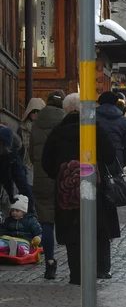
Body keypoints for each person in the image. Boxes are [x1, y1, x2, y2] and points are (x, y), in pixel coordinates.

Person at [42, 93, 121, 284]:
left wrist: (63, 174)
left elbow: (46, 162)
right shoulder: (94, 129)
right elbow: (110, 155)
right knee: (98, 224)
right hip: (94, 186)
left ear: (66, 109)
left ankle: (76, 274)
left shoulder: (57, 132)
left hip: (66, 190)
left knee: (71, 230)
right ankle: (101, 269)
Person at [30, 90, 64, 280]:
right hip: (63, 177)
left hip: (41, 177)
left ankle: (50, 261)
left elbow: (31, 152)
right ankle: (76, 263)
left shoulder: (36, 122)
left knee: (46, 223)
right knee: (68, 219)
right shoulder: (66, 119)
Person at [96, 91, 126, 170]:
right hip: (116, 158)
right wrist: (122, 161)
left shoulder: (91, 118)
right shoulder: (123, 120)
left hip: (95, 159)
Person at [18, 98, 45, 183]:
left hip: (41, 164)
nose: (36, 114)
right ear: (29, 112)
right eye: (33, 111)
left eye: (38, 111)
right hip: (26, 165)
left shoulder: (45, 127)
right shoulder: (22, 128)